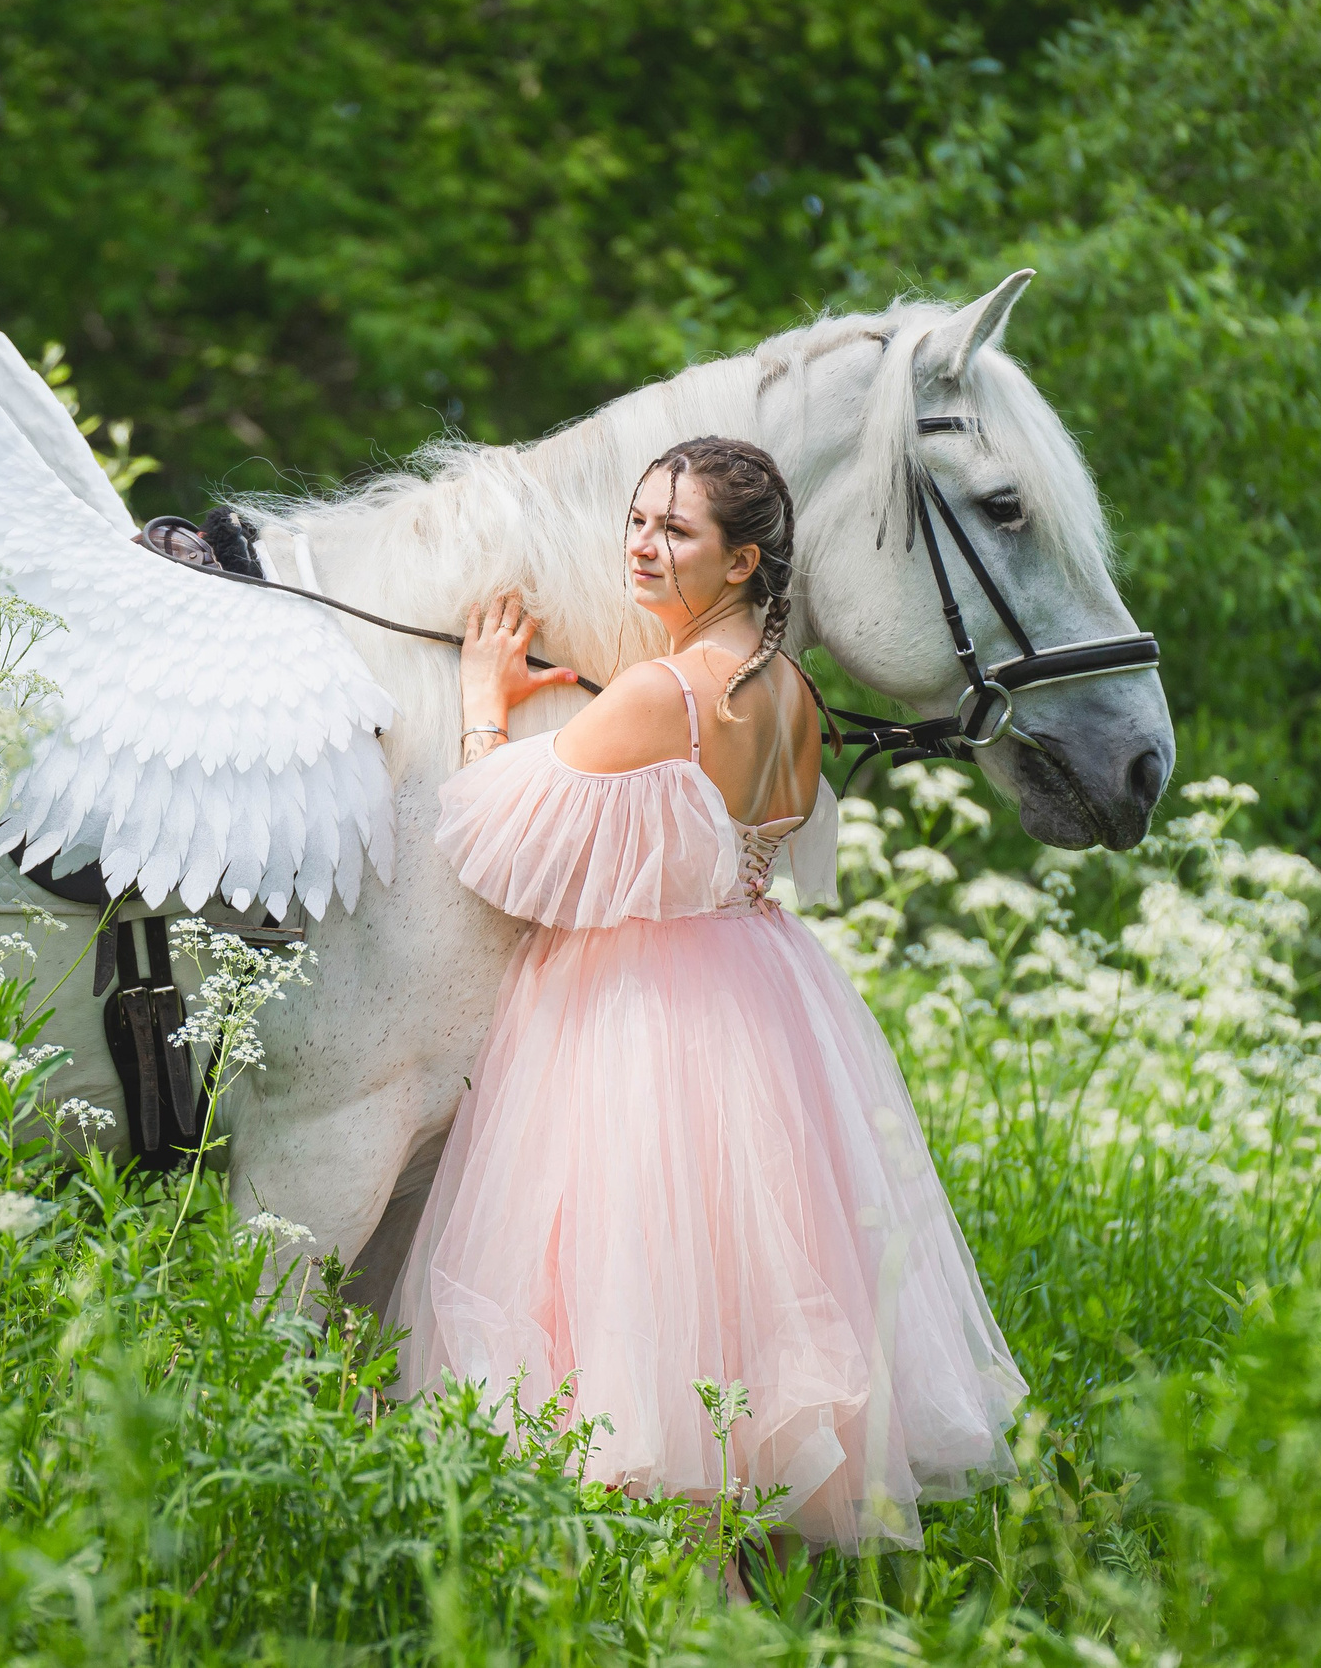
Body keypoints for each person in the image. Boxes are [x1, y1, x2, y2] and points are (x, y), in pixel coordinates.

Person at [390, 435, 1027, 1559]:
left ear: (739, 563)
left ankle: (682, 1589)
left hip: (644, 1007)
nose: (641, 546)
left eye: (674, 531)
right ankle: (733, 1567)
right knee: (738, 1278)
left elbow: (497, 838)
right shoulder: (789, 692)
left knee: (629, 1280)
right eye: (637, 520)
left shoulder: (659, 693)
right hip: (763, 992)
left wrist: (484, 702)